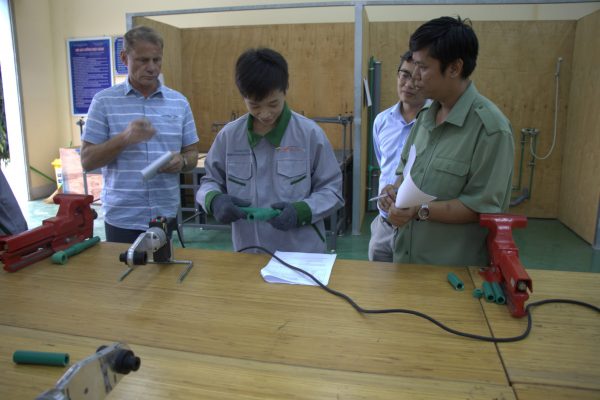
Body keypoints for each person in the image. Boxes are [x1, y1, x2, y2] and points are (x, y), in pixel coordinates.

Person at [381, 16, 514, 266]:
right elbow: (404, 175)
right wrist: (392, 194)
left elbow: (482, 206)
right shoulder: (424, 119)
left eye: (423, 67)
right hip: (405, 262)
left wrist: (420, 210)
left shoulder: (491, 129)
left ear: (454, 68)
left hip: (453, 274)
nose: (415, 76)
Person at [196, 48, 343, 254]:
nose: (265, 114)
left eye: (273, 104)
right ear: (243, 97)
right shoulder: (229, 137)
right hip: (248, 252)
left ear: (285, 90)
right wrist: (214, 200)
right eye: (254, 105)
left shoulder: (310, 135)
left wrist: (302, 211)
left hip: (301, 254)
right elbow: (209, 182)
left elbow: (332, 190)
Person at [81, 25, 199, 243]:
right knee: (126, 274)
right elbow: (87, 161)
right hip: (123, 216)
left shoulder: (179, 102)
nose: (152, 68)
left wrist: (181, 161)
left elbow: (192, 153)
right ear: (125, 58)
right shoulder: (104, 102)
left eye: (157, 60)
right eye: (143, 60)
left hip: (165, 213)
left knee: (164, 274)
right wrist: (124, 138)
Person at [369, 51, 428, 262]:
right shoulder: (381, 121)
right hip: (384, 223)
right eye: (404, 75)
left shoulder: (435, 122)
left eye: (417, 78)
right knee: (378, 286)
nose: (409, 84)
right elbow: (384, 164)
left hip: (420, 226)